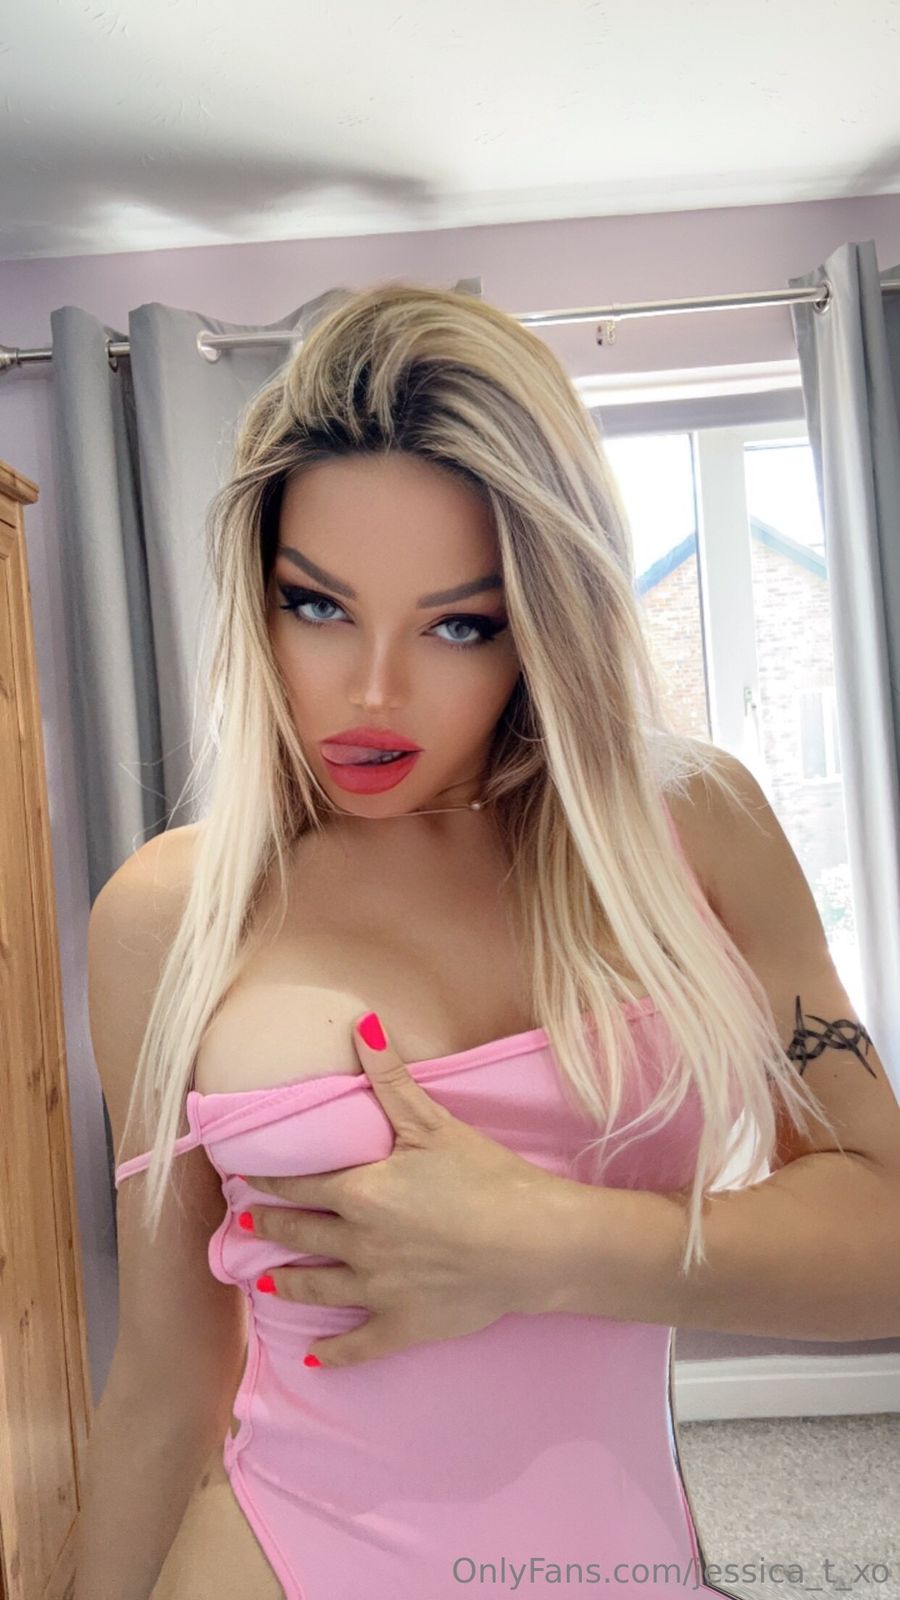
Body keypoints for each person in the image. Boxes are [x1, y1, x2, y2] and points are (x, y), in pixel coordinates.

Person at [73, 282, 887, 1600]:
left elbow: (888, 1242)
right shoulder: (171, 914)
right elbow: (167, 1382)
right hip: (277, 1561)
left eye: (461, 623)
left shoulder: (690, 828)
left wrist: (549, 1242)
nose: (373, 688)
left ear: (543, 622)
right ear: (254, 599)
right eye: (317, 605)